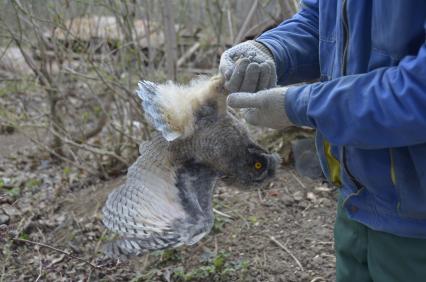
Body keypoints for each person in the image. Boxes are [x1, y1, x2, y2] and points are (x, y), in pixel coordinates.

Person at [219, 1, 426, 281]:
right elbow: (323, 21)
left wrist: (300, 106)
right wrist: (270, 49)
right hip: (355, 203)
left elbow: (418, 90)